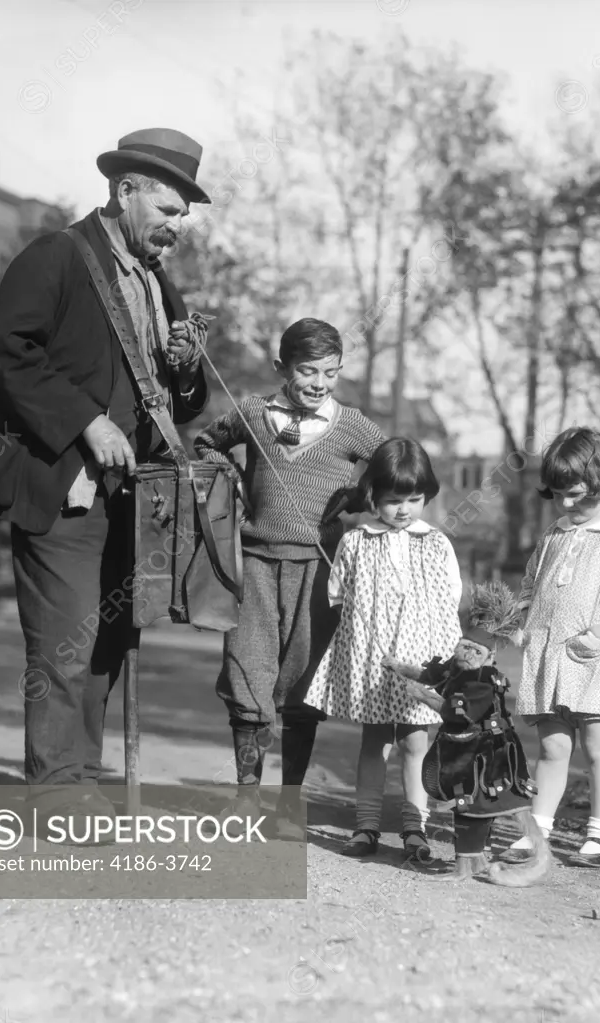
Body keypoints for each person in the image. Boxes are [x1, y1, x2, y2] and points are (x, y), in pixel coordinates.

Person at [0, 128, 212, 826]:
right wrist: (86, 421)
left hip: (129, 501)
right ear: (124, 190)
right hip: (61, 489)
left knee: (102, 646)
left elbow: (171, 402)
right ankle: (53, 794)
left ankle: (80, 779)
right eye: (166, 212)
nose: (175, 229)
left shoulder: (160, 284)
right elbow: (2, 352)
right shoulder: (57, 255)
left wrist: (186, 369)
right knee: (63, 642)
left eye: (182, 219)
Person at [194, 319, 384, 836]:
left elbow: (395, 464)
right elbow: (206, 443)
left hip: (317, 573)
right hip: (253, 564)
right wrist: (227, 479)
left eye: (330, 372)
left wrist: (362, 496)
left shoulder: (351, 425)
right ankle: (246, 796)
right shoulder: (254, 412)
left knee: (301, 681)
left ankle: (289, 804)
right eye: (307, 370)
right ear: (282, 368)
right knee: (247, 671)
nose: (319, 382)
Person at [499, 427, 600, 867]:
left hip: (596, 660)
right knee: (552, 747)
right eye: (558, 495)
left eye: (575, 495)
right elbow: (533, 580)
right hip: (548, 657)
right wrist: (519, 620)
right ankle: (538, 831)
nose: (566, 504)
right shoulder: (555, 532)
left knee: (597, 746)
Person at [304, 438, 462, 861]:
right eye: (393, 500)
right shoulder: (356, 541)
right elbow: (337, 595)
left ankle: (416, 828)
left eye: (414, 499)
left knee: (415, 744)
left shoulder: (436, 543)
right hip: (374, 663)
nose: (404, 509)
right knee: (374, 742)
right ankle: (366, 826)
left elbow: (450, 600)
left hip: (420, 665)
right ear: (373, 496)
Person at [387, 581, 552, 885]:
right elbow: (431, 675)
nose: (466, 654)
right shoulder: (458, 665)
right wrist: (398, 667)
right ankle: (473, 863)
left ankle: (467, 868)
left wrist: (423, 696)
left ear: (489, 656)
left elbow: (455, 712)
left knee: (473, 804)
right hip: (470, 752)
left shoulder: (484, 679)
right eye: (463, 647)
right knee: (473, 807)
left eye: (474, 650)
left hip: (488, 759)